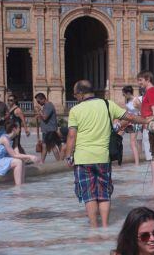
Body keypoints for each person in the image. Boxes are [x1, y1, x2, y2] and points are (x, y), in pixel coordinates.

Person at [63, 80, 148, 228]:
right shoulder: (107, 104)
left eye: (76, 95)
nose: (76, 97)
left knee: (89, 196)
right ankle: (105, 228)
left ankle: (94, 228)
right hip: (103, 157)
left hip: (83, 159)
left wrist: (69, 156)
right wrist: (146, 120)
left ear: (81, 94)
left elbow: (71, 136)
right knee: (104, 194)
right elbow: (131, 117)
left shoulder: (75, 111)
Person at [0, 119, 41, 185]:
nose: (20, 129)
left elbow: (17, 154)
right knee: (18, 162)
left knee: (21, 160)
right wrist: (30, 156)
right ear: (14, 129)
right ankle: (18, 188)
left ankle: (22, 184)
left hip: (1, 161)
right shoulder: (4, 139)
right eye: (19, 127)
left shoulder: (13, 139)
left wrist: (27, 157)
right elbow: (13, 155)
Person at [137, 71, 154, 185]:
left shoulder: (151, 91)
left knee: (152, 156)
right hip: (148, 126)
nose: (139, 83)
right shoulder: (149, 91)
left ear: (147, 79)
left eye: (140, 80)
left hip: (149, 127)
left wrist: (148, 123)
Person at [34, 92, 62, 162]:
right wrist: (39, 115)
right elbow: (44, 117)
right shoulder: (46, 106)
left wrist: (39, 111)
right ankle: (42, 162)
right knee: (44, 146)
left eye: (38, 101)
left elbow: (45, 117)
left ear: (43, 99)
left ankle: (59, 162)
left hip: (50, 130)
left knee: (52, 146)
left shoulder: (48, 105)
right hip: (47, 130)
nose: (38, 103)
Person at [118, 85, 142, 166]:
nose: (123, 95)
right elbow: (127, 113)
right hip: (128, 122)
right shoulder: (128, 101)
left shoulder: (136, 100)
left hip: (135, 122)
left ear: (128, 93)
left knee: (132, 142)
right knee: (118, 135)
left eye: (124, 94)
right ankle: (117, 157)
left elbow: (142, 111)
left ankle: (137, 163)